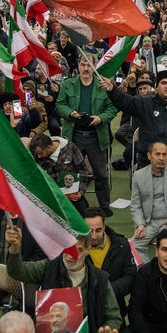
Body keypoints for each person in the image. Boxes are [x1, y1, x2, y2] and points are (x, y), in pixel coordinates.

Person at [4, 226, 121, 333]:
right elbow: (17, 272)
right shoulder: (49, 267)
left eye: (78, 250)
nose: (71, 255)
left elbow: (114, 318)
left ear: (87, 250)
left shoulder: (100, 279)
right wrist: (15, 248)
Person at [55, 55, 118, 214]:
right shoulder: (68, 84)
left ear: (94, 66)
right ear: (78, 65)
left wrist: (100, 118)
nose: (85, 68)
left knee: (101, 174)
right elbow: (59, 105)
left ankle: (104, 206)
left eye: (88, 65)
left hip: (96, 136)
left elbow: (112, 108)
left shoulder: (102, 85)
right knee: (69, 172)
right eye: (83, 64)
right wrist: (70, 113)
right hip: (74, 134)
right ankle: (70, 205)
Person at [100, 70, 167, 167]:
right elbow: (123, 102)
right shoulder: (145, 104)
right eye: (163, 83)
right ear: (157, 86)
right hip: (147, 163)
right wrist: (112, 89)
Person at [83, 207, 137, 317]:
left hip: (115, 309)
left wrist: (106, 290)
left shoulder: (121, 245)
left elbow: (130, 277)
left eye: (98, 230)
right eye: (89, 231)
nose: (93, 236)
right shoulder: (73, 248)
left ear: (104, 225)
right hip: (85, 311)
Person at [29, 132, 90, 215]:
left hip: (71, 194)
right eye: (37, 154)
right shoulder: (36, 153)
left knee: (84, 213)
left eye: (40, 153)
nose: (38, 157)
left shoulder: (70, 148)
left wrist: (81, 192)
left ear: (49, 147)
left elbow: (83, 170)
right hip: (50, 196)